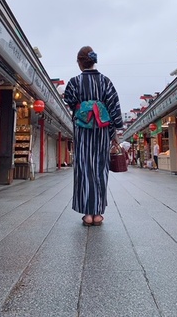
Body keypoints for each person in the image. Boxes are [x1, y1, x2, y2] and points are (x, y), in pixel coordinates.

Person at [64, 46, 124, 226]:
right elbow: (114, 108)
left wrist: (83, 109)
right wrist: (114, 131)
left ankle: (87, 214)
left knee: (83, 169)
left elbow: (69, 100)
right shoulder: (106, 82)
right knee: (100, 170)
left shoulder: (74, 82)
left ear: (80, 63)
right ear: (93, 61)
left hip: (82, 131)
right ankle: (98, 213)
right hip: (101, 131)